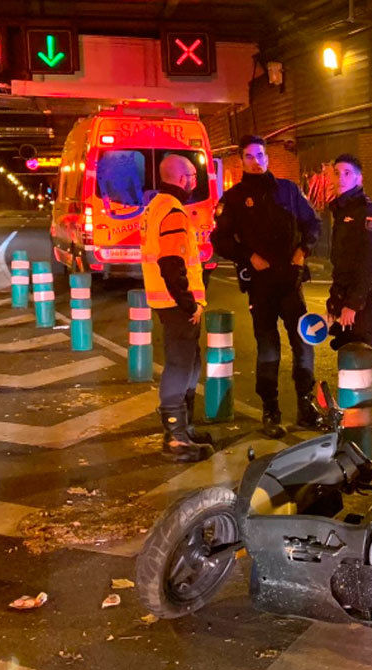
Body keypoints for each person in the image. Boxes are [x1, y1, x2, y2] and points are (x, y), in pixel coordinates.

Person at [211, 135, 323, 437]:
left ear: (267, 158)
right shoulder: (234, 199)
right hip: (260, 285)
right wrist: (248, 256)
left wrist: (304, 250)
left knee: (302, 344)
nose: (256, 161)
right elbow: (219, 239)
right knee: (268, 347)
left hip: (291, 281)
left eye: (260, 155)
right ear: (241, 160)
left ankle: (306, 405)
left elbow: (313, 224)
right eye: (249, 156)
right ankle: (270, 410)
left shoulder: (288, 190)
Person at [141, 154, 213, 463]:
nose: (195, 181)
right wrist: (188, 303)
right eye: (193, 176)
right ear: (183, 179)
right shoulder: (172, 211)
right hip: (176, 303)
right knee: (180, 366)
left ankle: (184, 428)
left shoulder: (156, 206)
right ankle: (176, 438)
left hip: (167, 300)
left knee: (190, 363)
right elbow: (171, 263)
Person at [326, 153, 372, 459]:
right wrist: (334, 302)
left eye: (347, 173)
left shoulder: (369, 213)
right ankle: (354, 430)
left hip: (365, 305)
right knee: (350, 369)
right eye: (336, 173)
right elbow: (342, 267)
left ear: (359, 178)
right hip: (347, 305)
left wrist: (352, 304)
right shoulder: (341, 211)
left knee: (366, 368)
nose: (341, 178)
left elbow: (368, 264)